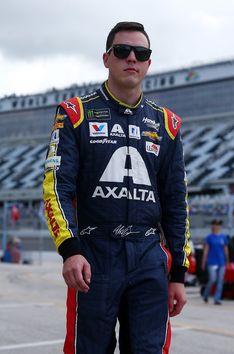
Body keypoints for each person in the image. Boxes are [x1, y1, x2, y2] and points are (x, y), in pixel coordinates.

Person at [43, 21, 190, 354]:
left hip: (149, 256)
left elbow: (176, 201)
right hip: (94, 255)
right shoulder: (75, 114)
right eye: (122, 51)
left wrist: (178, 272)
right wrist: (71, 249)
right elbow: (56, 187)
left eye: (141, 53)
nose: (132, 59)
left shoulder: (167, 124)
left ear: (149, 63)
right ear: (106, 58)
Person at [201, 219, 229, 305]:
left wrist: (228, 261)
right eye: (214, 224)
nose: (216, 226)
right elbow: (206, 250)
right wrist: (203, 262)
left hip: (221, 262)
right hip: (211, 262)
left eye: (218, 225)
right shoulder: (209, 237)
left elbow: (226, 250)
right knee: (213, 279)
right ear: (212, 226)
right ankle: (206, 294)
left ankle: (217, 299)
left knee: (220, 281)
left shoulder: (223, 237)